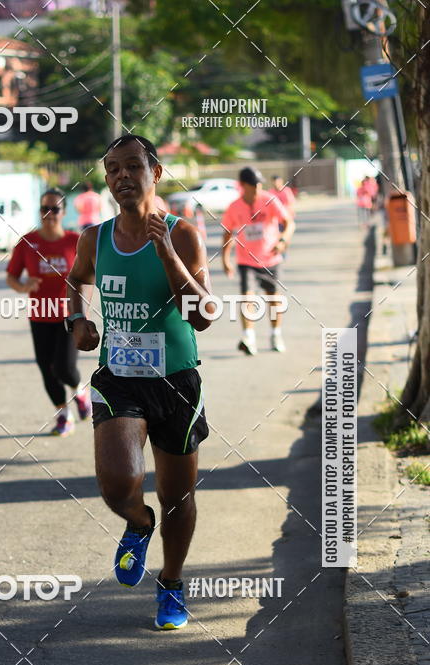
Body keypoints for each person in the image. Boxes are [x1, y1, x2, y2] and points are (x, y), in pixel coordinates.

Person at [66, 134, 215, 630]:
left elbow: (205, 316)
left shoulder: (186, 234)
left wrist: (168, 253)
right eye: (112, 170)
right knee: (117, 483)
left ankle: (171, 585)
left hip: (175, 381)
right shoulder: (95, 238)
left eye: (132, 166)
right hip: (119, 379)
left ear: (156, 172)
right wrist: (78, 321)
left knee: (178, 496)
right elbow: (76, 279)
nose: (122, 177)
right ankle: (137, 521)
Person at [6, 188, 91, 436]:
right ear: (40, 211)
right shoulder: (27, 242)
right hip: (39, 314)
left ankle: (80, 392)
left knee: (64, 368)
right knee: (47, 369)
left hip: (69, 314)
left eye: (55, 209)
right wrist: (23, 286)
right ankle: (64, 416)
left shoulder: (75, 241)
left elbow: (89, 277)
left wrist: (82, 309)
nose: (50, 214)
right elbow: (11, 276)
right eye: (45, 208)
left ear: (64, 212)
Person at [221, 167, 294, 356]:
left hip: (271, 258)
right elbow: (227, 232)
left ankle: (275, 335)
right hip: (246, 260)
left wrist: (283, 240)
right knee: (247, 299)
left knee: (274, 300)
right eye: (254, 185)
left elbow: (289, 222)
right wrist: (225, 259)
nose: (258, 188)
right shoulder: (234, 207)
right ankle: (248, 338)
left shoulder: (269, 200)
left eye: (260, 184)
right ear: (243, 186)